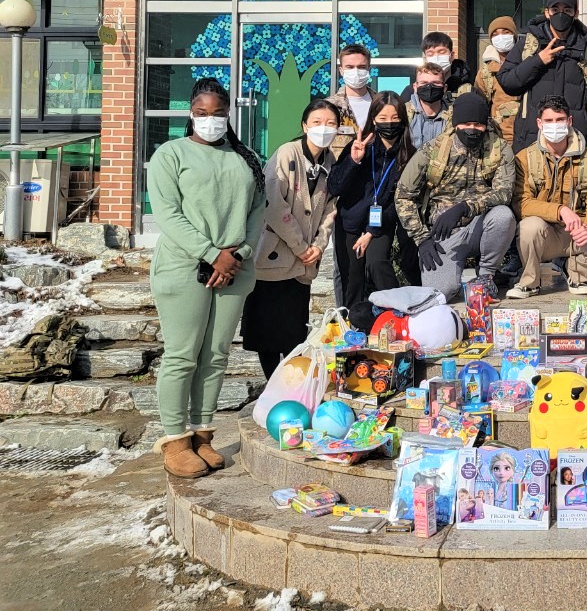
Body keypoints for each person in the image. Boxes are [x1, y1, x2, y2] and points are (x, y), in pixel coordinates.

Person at [149, 78, 266, 479]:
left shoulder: (245, 158)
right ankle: (175, 440)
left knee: (216, 355)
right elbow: (168, 214)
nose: (210, 120)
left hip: (234, 268)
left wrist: (237, 254)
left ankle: (202, 434)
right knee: (182, 355)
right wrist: (213, 253)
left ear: (229, 115)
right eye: (201, 113)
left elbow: (257, 213)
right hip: (184, 267)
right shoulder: (171, 154)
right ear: (190, 114)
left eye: (218, 113)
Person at [241, 100, 341, 379]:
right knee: (266, 332)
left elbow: (331, 208)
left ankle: (290, 384)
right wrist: (300, 246)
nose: (323, 128)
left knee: (293, 331)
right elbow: (273, 203)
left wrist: (319, 245)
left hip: (302, 263)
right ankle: (273, 383)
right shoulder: (287, 153)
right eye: (317, 122)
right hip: (274, 255)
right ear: (304, 125)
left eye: (330, 123)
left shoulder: (330, 161)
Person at [395, 92, 517, 301]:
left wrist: (466, 207)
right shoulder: (432, 151)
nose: (472, 129)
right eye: (466, 124)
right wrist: (421, 238)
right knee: (441, 293)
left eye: (478, 125)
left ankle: (486, 276)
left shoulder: (499, 149)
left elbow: (504, 192)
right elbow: (403, 195)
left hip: (480, 225)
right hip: (443, 232)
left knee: (503, 216)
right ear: (455, 124)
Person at [509, 95, 587, 298]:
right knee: (528, 227)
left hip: (577, 233)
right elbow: (521, 203)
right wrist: (560, 211)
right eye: (549, 120)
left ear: (569, 121)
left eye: (560, 120)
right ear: (539, 123)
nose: (555, 125)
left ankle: (576, 274)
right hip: (545, 233)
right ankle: (530, 282)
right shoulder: (525, 158)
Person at [327, 92, 419, 309]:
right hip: (349, 222)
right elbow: (335, 186)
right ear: (373, 120)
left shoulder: (409, 155)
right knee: (352, 279)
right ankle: (353, 320)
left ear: (403, 120)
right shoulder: (359, 146)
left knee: (377, 263)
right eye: (383, 118)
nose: (389, 124)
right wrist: (353, 161)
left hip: (380, 223)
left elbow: (399, 201)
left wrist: (370, 232)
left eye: (395, 118)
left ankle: (399, 311)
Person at [497, 0, 587, 156]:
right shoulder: (528, 45)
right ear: (547, 13)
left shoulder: (586, 51)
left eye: (567, 10)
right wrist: (538, 61)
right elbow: (507, 82)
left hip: (575, 140)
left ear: (575, 13)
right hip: (531, 140)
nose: (561, 15)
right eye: (555, 10)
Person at [473, 15, 520, 144]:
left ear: (514, 36)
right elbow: (480, 107)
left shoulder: (528, 64)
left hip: (528, 138)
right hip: (499, 141)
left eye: (506, 32)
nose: (501, 37)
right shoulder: (485, 72)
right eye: (495, 34)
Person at [326, 43, 375, 154]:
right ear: (341, 70)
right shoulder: (328, 107)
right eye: (350, 67)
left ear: (369, 70)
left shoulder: (381, 105)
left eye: (361, 67)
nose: (356, 72)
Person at [406, 61, 453, 149]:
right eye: (424, 83)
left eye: (436, 83)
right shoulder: (404, 114)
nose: (430, 87)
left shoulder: (454, 115)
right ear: (415, 87)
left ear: (444, 88)